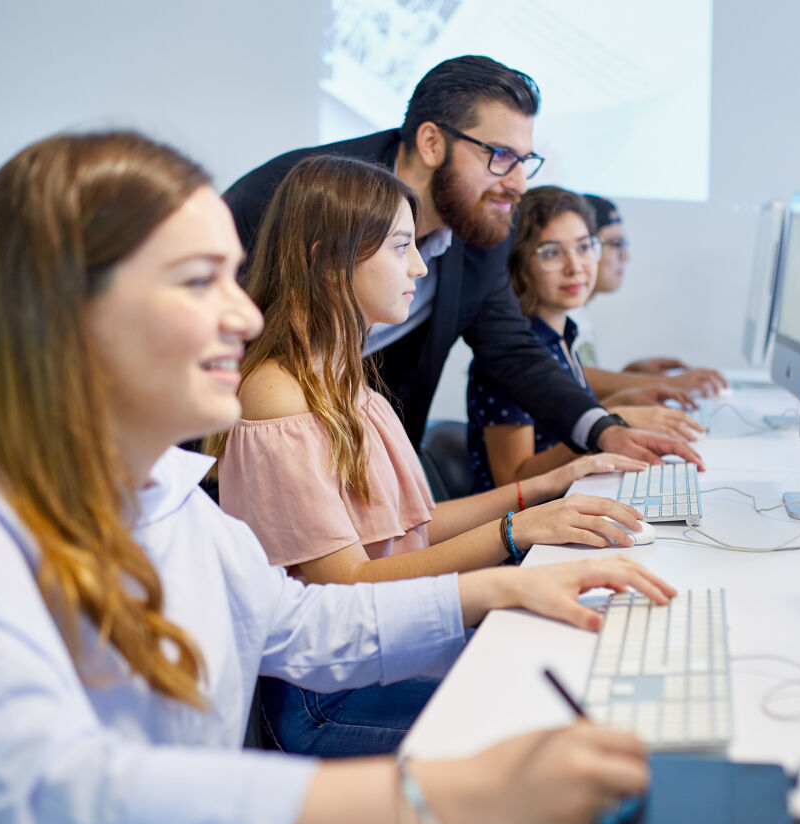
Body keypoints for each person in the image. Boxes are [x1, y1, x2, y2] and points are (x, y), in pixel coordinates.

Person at [0, 131, 668, 824]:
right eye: (197, 280)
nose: (246, 314)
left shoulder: (166, 498)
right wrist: (447, 797)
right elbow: (61, 810)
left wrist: (512, 583)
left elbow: (301, 624)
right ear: (65, 309)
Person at [209, 156, 654, 756]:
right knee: (557, 730)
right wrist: (513, 531)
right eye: (400, 246)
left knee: (577, 674)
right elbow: (349, 587)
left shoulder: (343, 377)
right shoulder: (277, 394)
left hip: (391, 651)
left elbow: (411, 531)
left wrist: (548, 489)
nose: (420, 265)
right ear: (326, 258)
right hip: (328, 698)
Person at [223, 54, 702, 469]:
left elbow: (513, 350)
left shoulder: (480, 222)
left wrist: (604, 431)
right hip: (234, 450)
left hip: (362, 457)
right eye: (500, 156)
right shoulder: (298, 196)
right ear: (432, 142)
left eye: (524, 161)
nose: (517, 184)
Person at [468, 187, 703, 492]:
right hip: (529, 528)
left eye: (584, 247)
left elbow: (558, 428)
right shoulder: (509, 357)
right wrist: (608, 428)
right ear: (519, 262)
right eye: (551, 252)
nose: (575, 266)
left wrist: (622, 403)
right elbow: (513, 480)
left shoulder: (562, 336)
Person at [568, 193, 728, 398]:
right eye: (616, 244)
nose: (626, 256)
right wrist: (669, 383)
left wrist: (630, 376)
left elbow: (579, 389)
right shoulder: (555, 314)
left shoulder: (579, 315)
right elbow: (566, 377)